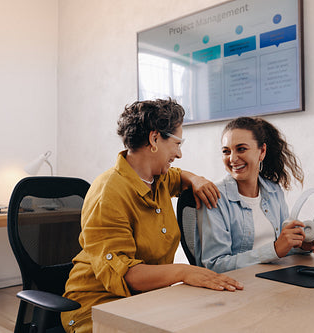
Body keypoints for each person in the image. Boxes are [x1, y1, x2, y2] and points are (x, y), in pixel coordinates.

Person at [62, 99, 243, 333]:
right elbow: (126, 274)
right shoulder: (109, 192)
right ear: (155, 139)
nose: (178, 153)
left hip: (147, 299)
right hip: (98, 306)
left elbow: (179, 176)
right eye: (177, 143)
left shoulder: (158, 178)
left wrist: (196, 180)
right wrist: (184, 271)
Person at [195, 117, 314, 273]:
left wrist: (301, 246)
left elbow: (280, 250)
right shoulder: (214, 196)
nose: (232, 158)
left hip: (274, 279)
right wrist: (275, 250)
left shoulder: (273, 191)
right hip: (239, 287)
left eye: (241, 149)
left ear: (262, 151)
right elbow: (215, 265)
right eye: (226, 151)